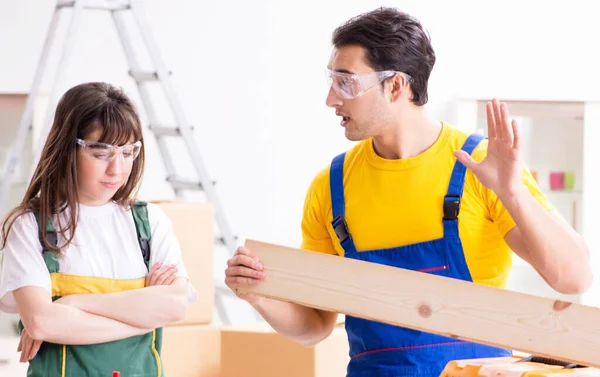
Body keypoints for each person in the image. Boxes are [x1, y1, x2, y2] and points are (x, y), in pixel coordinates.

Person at [224, 7, 593, 377]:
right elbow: (316, 326)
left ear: (397, 86)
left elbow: (573, 278)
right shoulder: (332, 187)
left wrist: (513, 193)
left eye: (346, 82)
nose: (331, 99)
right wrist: (260, 295)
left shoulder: (480, 167)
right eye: (332, 81)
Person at [0, 82, 197, 377]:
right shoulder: (31, 227)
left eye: (128, 152)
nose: (117, 169)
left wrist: (71, 304)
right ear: (68, 147)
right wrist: (145, 314)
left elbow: (177, 306)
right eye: (101, 153)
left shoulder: (150, 223)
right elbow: (42, 323)